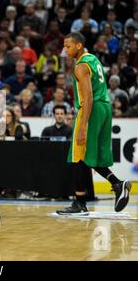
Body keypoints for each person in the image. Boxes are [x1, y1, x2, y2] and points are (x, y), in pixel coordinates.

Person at [57, 32, 131, 215]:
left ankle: (79, 203)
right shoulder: (93, 59)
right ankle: (117, 184)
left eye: (68, 46)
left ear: (79, 46)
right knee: (90, 155)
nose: (65, 50)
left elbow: (88, 97)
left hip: (91, 109)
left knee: (77, 155)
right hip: (104, 107)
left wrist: (82, 126)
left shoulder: (80, 66)